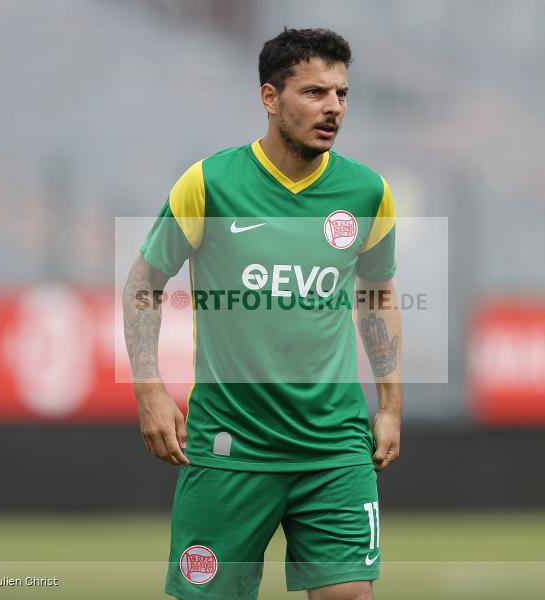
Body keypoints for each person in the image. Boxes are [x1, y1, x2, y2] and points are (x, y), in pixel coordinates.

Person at [123, 27, 402, 600]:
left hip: (333, 446)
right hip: (231, 445)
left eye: (342, 94)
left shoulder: (368, 192)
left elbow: (378, 296)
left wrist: (392, 406)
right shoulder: (210, 184)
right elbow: (144, 284)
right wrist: (149, 388)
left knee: (349, 596)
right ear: (270, 98)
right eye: (314, 93)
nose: (333, 108)